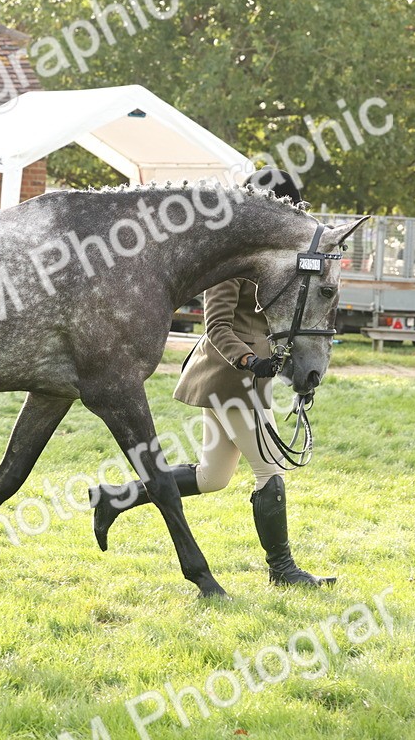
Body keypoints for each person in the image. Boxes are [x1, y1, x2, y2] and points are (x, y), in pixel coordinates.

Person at [88, 167, 335, 588]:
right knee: (270, 469)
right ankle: (283, 570)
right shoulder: (230, 264)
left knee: (212, 476)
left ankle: (115, 497)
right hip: (230, 377)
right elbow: (217, 326)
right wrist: (246, 362)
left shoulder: (278, 261)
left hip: (251, 378)